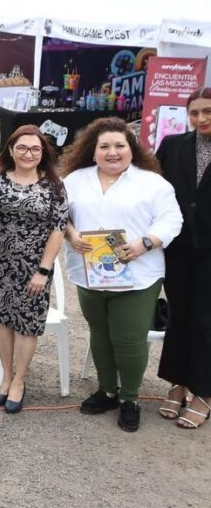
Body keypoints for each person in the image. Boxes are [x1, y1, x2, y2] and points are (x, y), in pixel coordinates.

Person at [63, 117, 182, 432]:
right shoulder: (75, 180)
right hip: (90, 274)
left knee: (128, 339)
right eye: (104, 146)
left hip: (138, 275)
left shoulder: (153, 184)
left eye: (119, 145)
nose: (112, 152)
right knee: (99, 333)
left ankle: (130, 398)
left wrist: (145, 243)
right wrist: (71, 235)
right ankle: (108, 391)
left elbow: (172, 221)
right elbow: (59, 215)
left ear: (132, 149)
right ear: (93, 150)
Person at [0, 126, 68, 414]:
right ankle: (6, 377)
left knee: (26, 324)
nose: (28, 154)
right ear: (10, 150)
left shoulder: (54, 184)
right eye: (22, 148)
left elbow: (58, 229)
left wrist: (43, 271)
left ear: (43, 152)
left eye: (35, 149)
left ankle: (20, 380)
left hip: (34, 267)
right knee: (2, 320)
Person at [156, 88, 211, 427]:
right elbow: (155, 189)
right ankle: (178, 383)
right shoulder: (173, 145)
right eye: (195, 113)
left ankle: (204, 391)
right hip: (178, 246)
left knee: (207, 320)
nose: (202, 119)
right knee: (179, 315)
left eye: (208, 112)